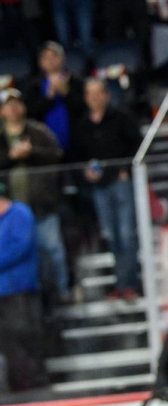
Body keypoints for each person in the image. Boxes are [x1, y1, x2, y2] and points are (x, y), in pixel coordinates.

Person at [70, 78, 142, 300]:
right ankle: (121, 283)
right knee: (111, 235)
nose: (94, 97)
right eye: (89, 93)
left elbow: (138, 144)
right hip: (99, 186)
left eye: (97, 92)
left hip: (120, 182)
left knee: (126, 234)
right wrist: (84, 171)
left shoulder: (121, 118)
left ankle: (129, 283)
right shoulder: (82, 124)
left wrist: (125, 168)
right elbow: (76, 154)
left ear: (106, 95)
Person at [0, 88, 70, 304]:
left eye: (16, 103)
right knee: (20, 256)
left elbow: (57, 156)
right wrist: (11, 157)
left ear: (24, 107)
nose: (13, 108)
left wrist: (32, 153)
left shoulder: (38, 132)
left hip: (42, 205)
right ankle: (36, 298)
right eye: (7, 105)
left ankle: (61, 293)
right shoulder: (1, 138)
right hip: (10, 213)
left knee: (52, 251)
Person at [0, 179, 47, 392]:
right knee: (8, 340)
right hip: (4, 291)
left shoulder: (19, 213)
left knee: (23, 336)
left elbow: (20, 247)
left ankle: (33, 382)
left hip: (19, 289)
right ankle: (16, 383)